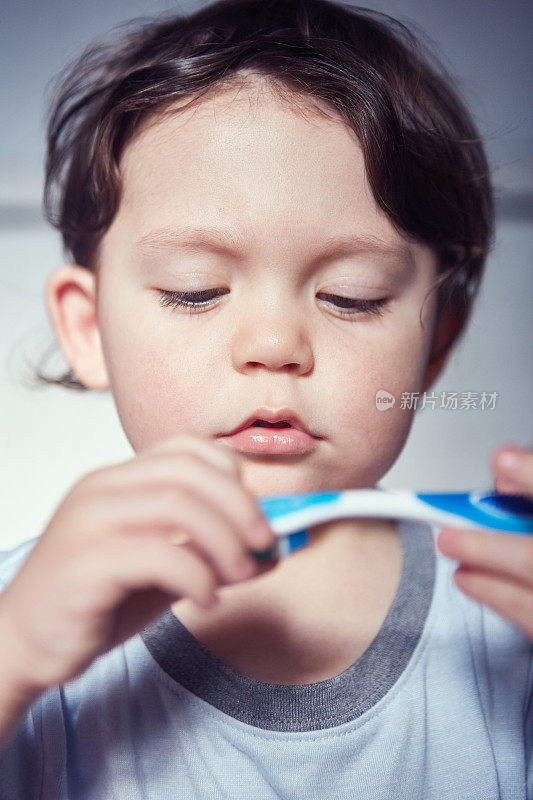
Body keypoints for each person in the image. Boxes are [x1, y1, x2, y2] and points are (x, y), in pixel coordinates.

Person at [0, 0, 531, 796]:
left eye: (352, 297)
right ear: (88, 328)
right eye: (196, 289)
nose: (275, 345)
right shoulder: (25, 622)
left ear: (438, 336)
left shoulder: (507, 622)